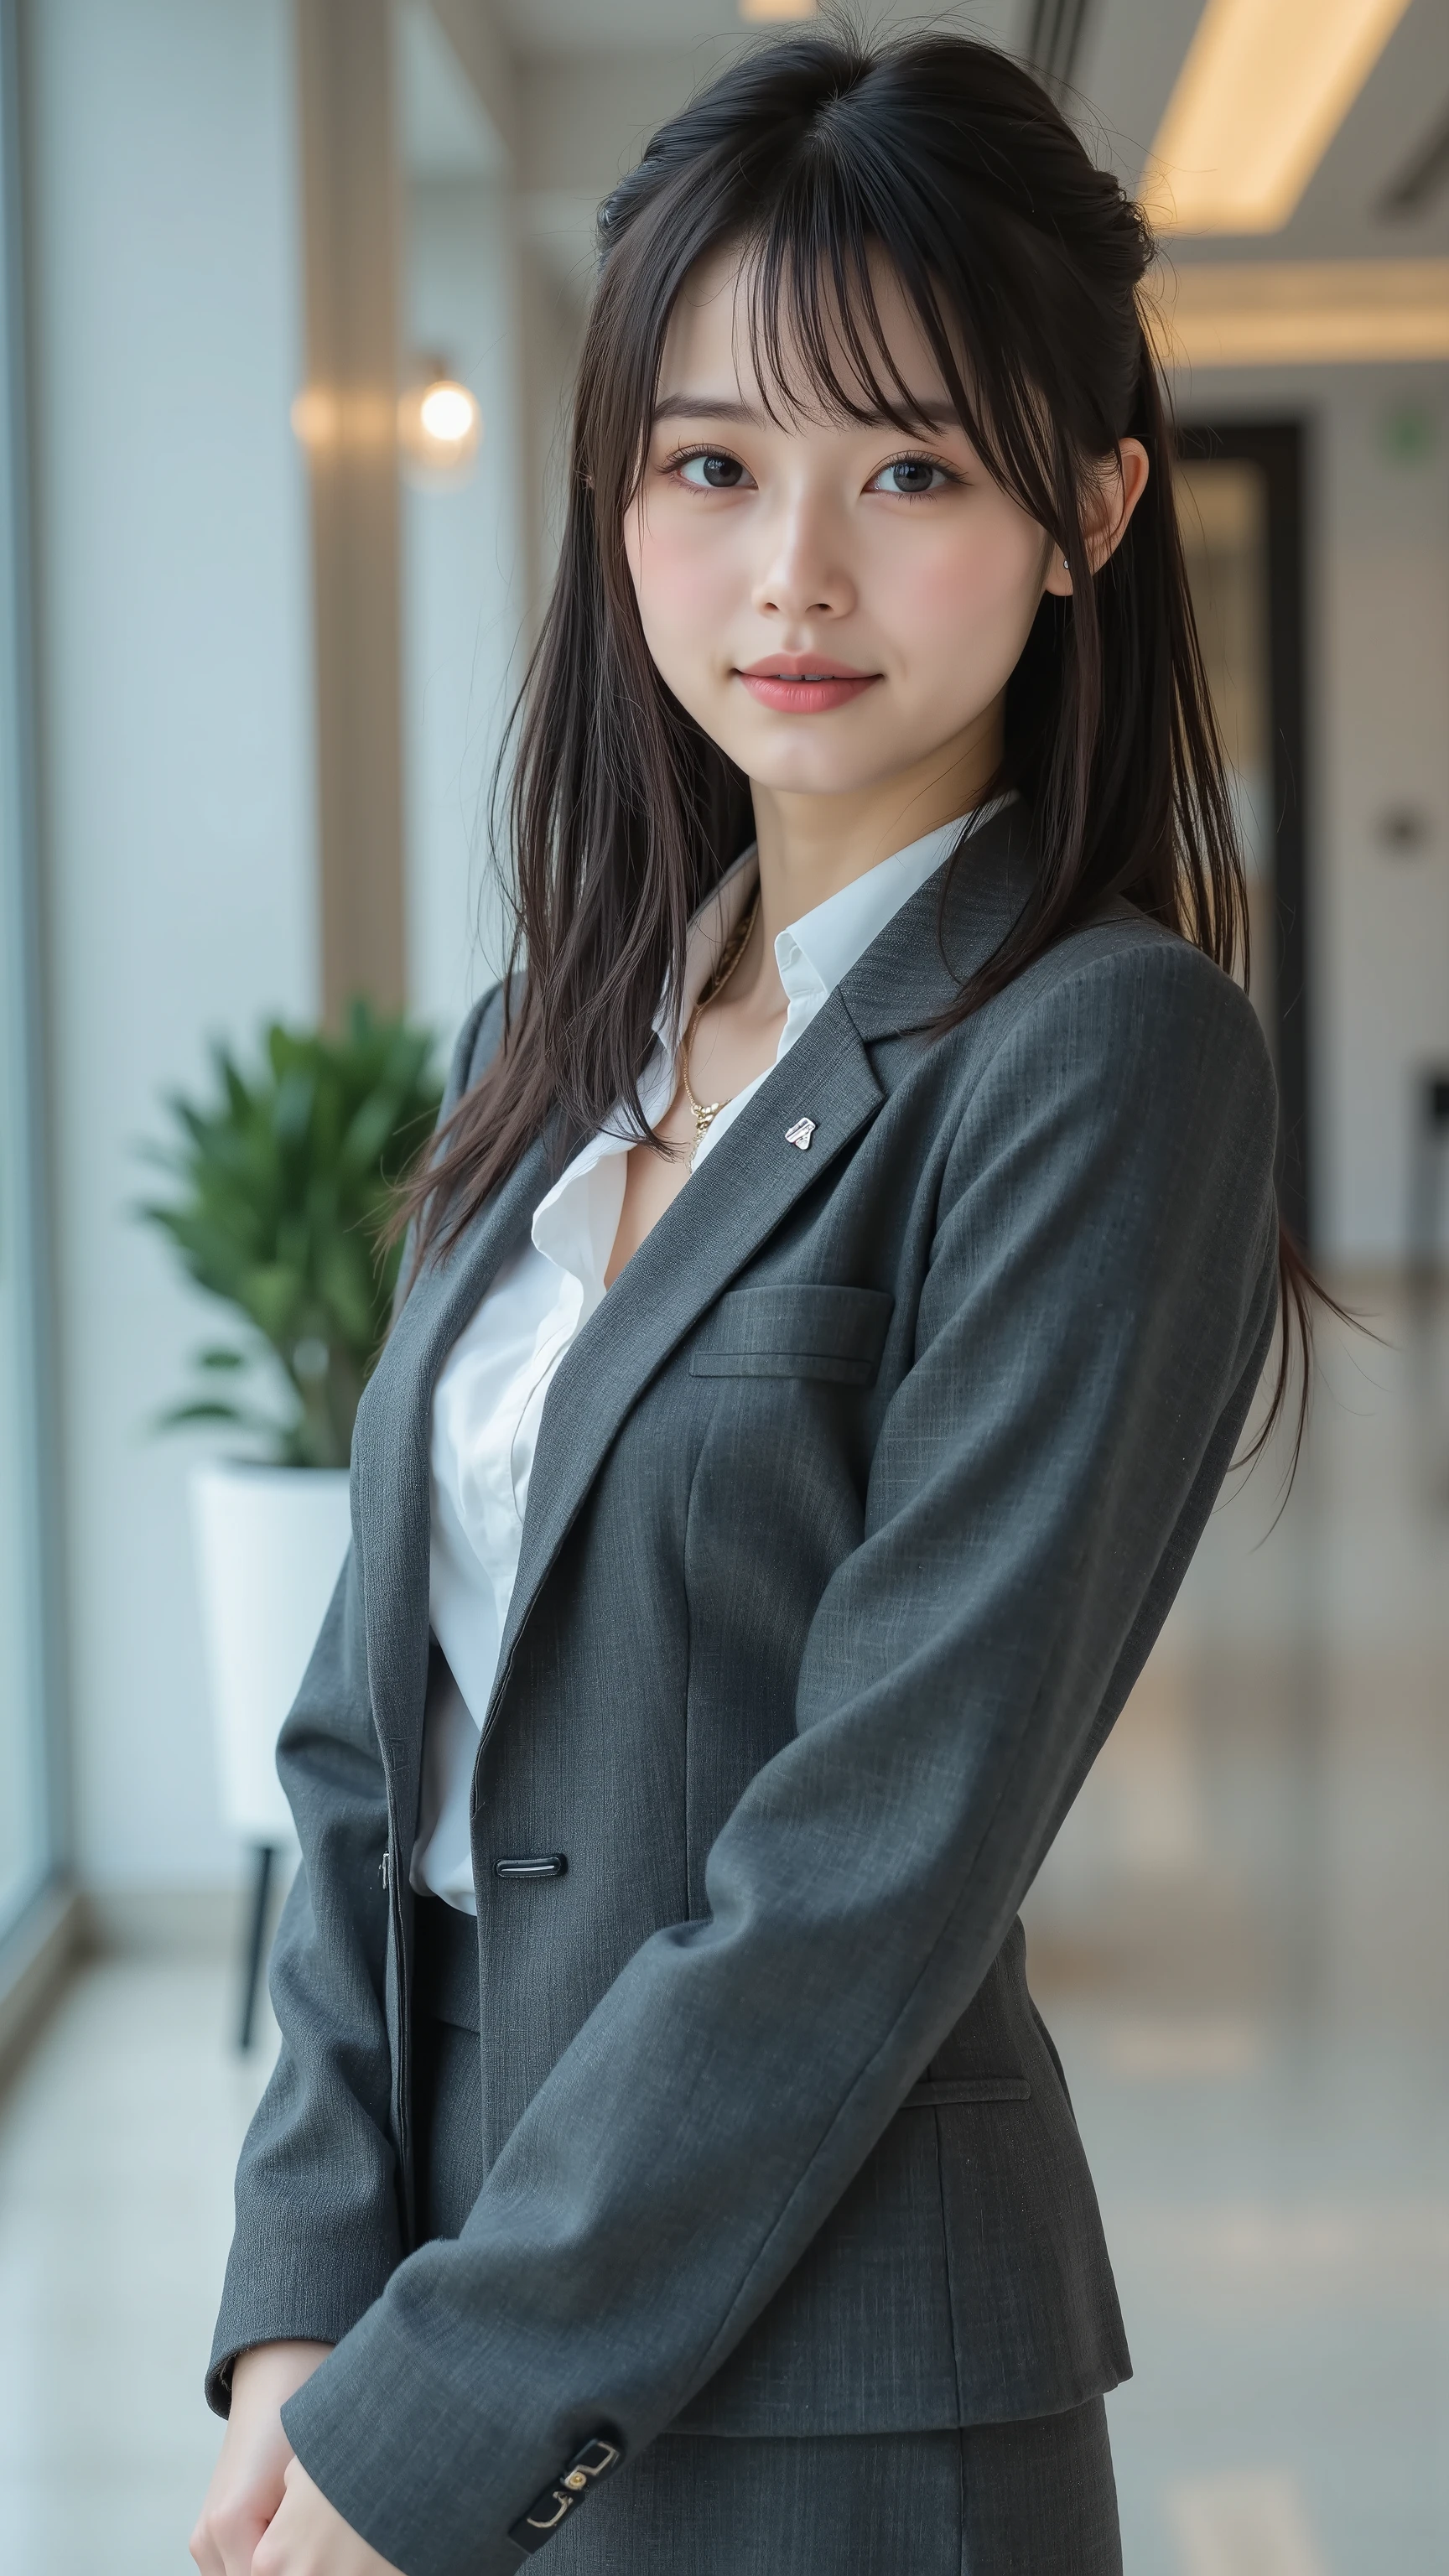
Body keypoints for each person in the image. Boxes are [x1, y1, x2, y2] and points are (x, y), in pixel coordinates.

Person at [192, 29, 1305, 2576]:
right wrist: (304, 2295)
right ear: (623, 500)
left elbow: (882, 1846)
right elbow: (372, 1720)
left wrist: (444, 2410)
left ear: (1090, 508)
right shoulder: (547, 1040)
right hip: (418, 2332)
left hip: (825, 2407)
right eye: (715, 465)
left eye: (910, 468)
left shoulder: (1103, 1055)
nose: (793, 571)